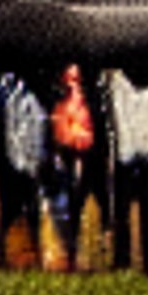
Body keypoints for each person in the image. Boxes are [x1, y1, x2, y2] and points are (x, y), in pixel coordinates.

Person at [103, 65, 148, 274]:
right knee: (144, 213)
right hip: (144, 156)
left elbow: (123, 128)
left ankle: (127, 258)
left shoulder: (120, 94)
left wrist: (125, 157)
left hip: (130, 158)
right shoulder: (147, 97)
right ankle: (146, 260)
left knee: (124, 211)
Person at [0, 69, 47, 270]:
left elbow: (34, 131)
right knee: (15, 210)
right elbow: (15, 133)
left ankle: (31, 253)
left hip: (23, 162)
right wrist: (24, 161)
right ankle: (4, 254)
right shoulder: (15, 97)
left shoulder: (17, 96)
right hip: (19, 163)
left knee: (27, 211)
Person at [46, 62, 97, 269]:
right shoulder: (61, 103)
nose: (72, 83)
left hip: (83, 156)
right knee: (65, 206)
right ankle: (68, 250)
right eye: (69, 78)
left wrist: (81, 139)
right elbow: (60, 130)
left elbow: (90, 129)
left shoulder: (87, 103)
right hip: (67, 155)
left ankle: (78, 250)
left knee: (79, 204)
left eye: (75, 78)